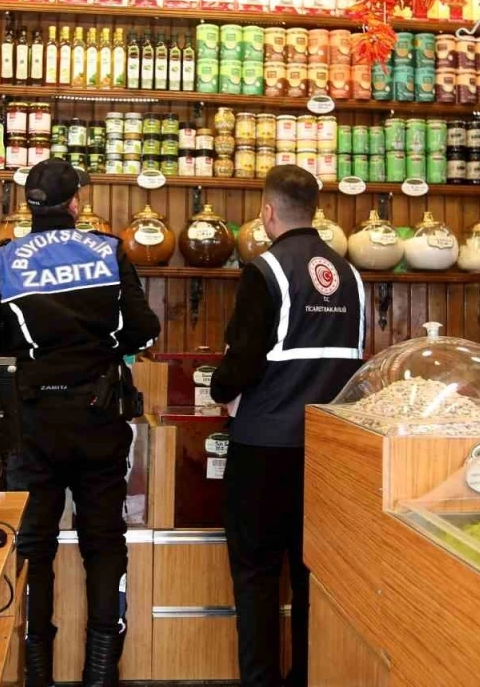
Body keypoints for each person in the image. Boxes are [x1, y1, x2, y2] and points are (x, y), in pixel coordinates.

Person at [0, 158, 160, 687]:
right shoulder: (109, 250)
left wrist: (26, 350)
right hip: (99, 415)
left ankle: (36, 674)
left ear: (29, 206)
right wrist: (103, 348)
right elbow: (144, 328)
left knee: (34, 545)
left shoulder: (4, 258)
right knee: (104, 542)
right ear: (75, 204)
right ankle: (100, 674)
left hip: (33, 420)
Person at [210, 165, 365, 687]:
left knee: (255, 577)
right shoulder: (351, 276)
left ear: (267, 211)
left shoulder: (266, 271)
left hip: (263, 448)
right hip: (327, 453)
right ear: (315, 211)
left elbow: (242, 360)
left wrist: (220, 389)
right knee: (311, 578)